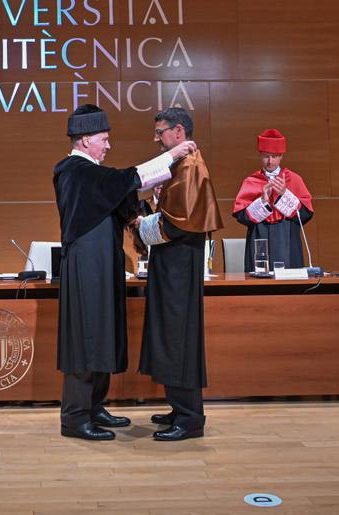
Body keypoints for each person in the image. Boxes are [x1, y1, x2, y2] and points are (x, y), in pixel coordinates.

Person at [53, 104, 196, 441]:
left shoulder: (94, 176)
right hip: (86, 267)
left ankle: (94, 405)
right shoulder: (73, 170)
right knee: (85, 337)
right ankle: (74, 417)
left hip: (102, 266)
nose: (108, 145)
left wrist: (151, 199)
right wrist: (173, 154)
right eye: (104, 139)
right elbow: (125, 179)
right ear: (86, 140)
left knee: (101, 332)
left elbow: (122, 192)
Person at [136, 107, 222, 441]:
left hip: (180, 266)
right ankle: (179, 406)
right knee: (170, 333)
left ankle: (189, 417)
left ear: (179, 132)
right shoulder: (182, 165)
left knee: (178, 336)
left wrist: (140, 225)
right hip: (172, 265)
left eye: (161, 132)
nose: (156, 138)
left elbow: (177, 222)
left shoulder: (190, 166)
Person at [231, 129, 315, 270]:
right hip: (259, 237)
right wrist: (262, 201)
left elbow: (306, 215)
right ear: (260, 155)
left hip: (287, 237)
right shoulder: (251, 181)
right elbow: (242, 217)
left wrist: (284, 194)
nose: (270, 161)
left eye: (274, 156)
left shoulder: (294, 179)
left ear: (281, 156)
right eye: (266, 156)